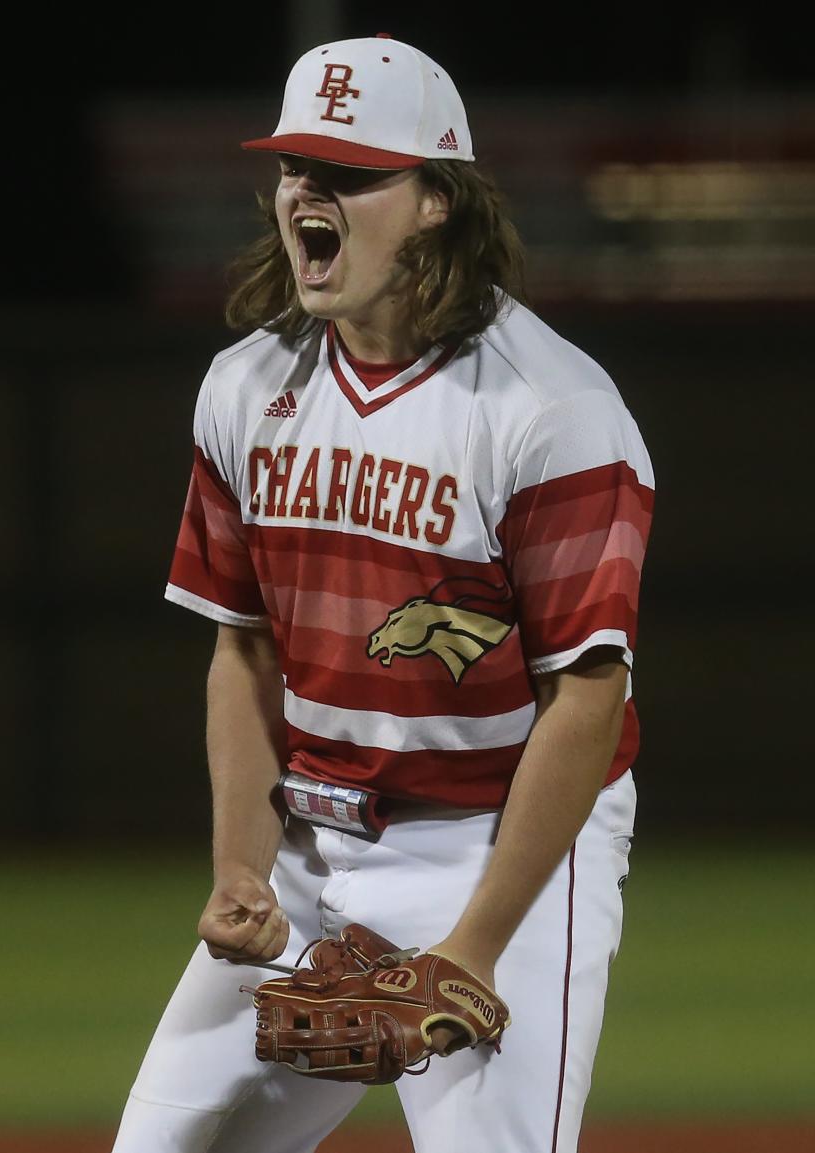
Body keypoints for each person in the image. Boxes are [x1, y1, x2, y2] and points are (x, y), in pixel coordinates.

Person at [112, 33, 654, 1153]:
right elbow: (245, 653)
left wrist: (476, 943)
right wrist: (238, 869)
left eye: (352, 172)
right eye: (295, 168)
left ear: (436, 202)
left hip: (503, 844)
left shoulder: (551, 410)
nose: (309, 191)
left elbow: (587, 702)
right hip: (315, 840)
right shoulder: (248, 387)